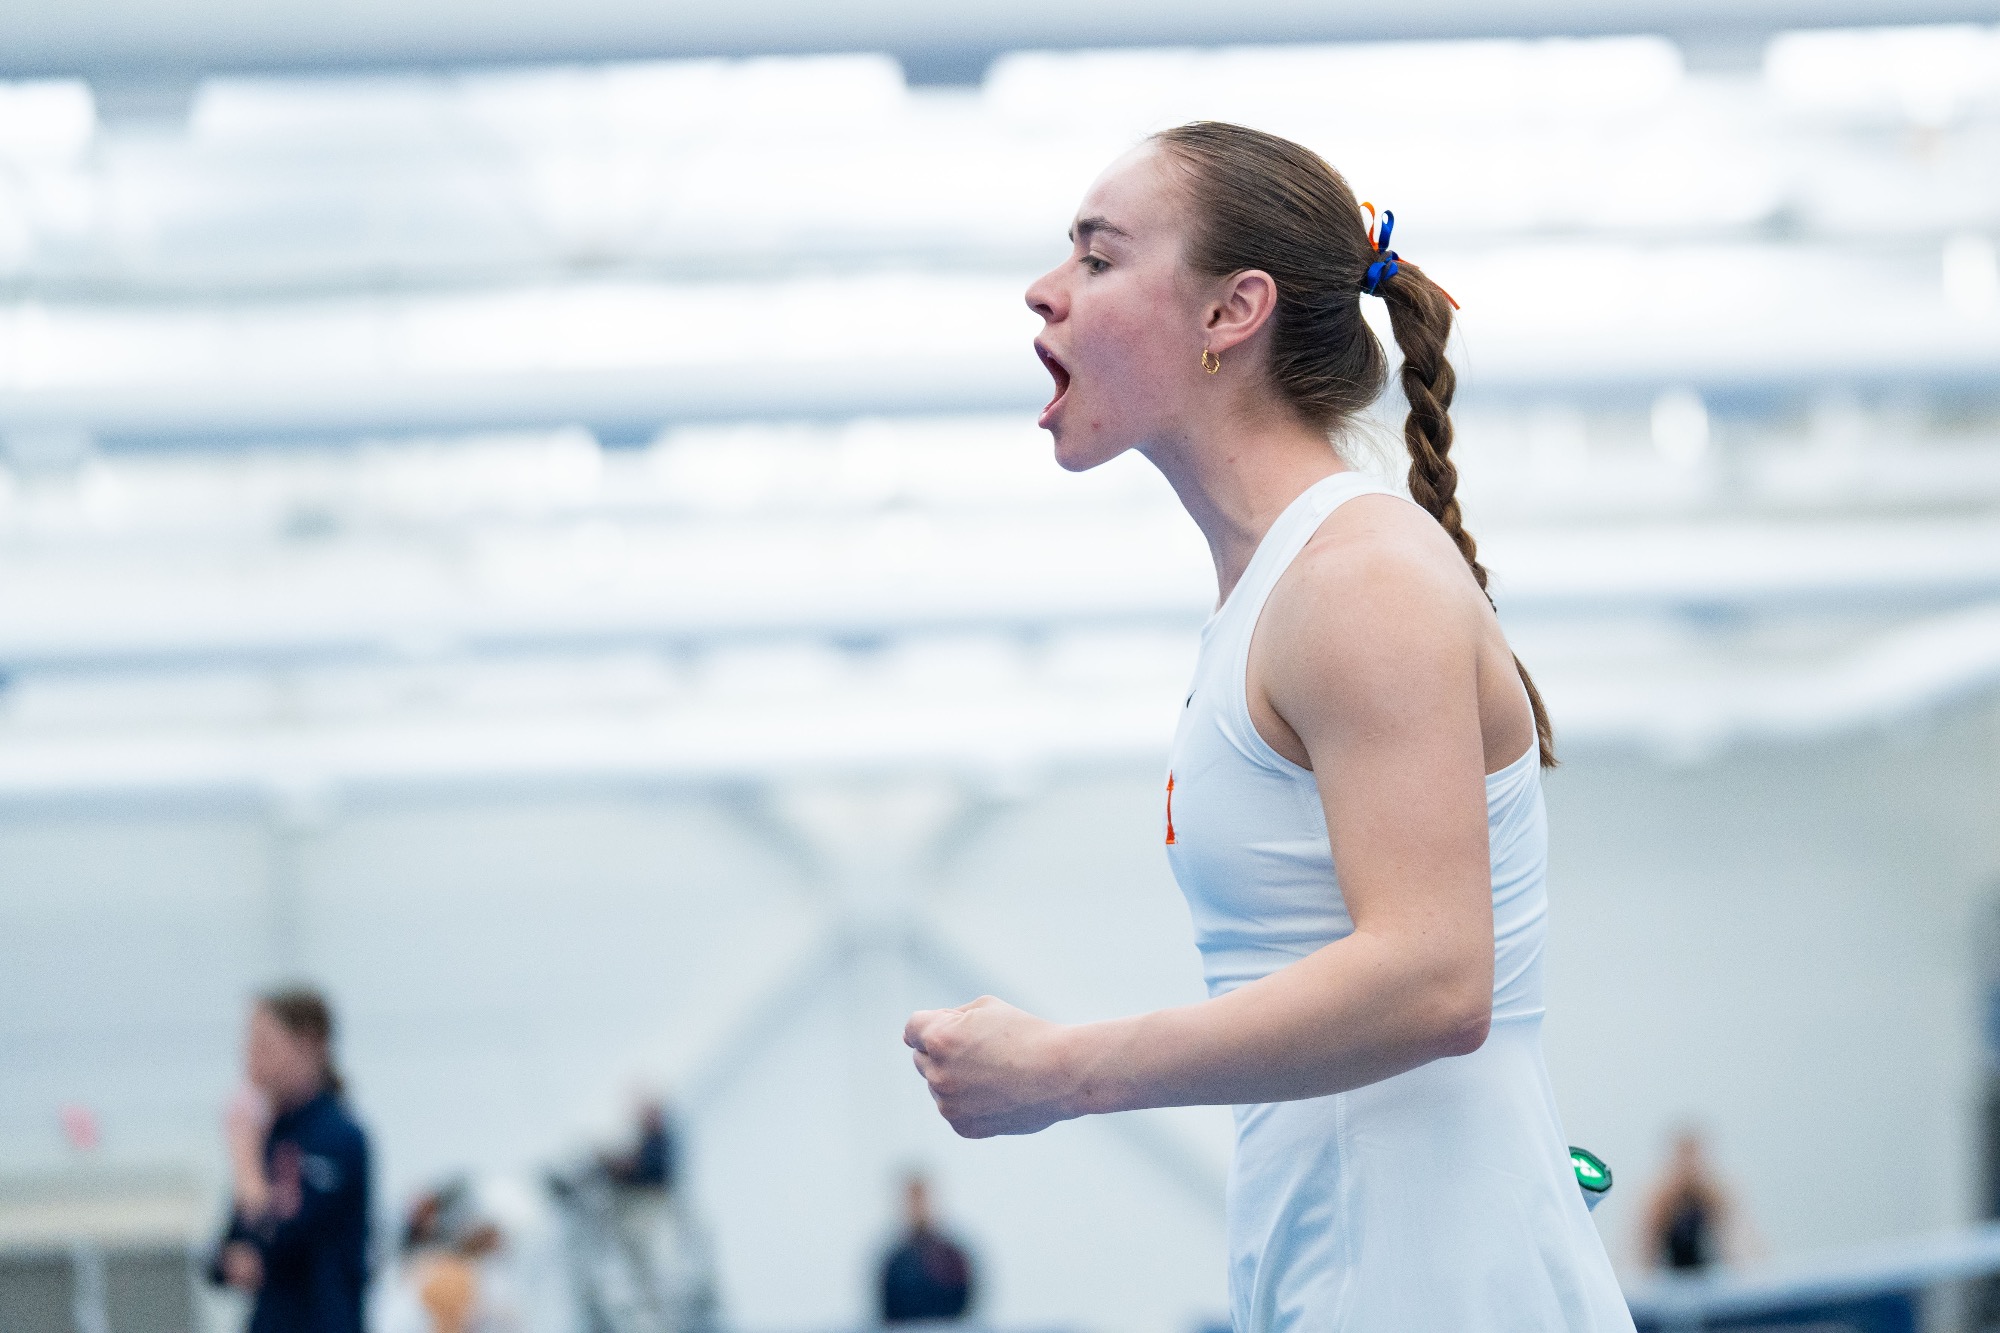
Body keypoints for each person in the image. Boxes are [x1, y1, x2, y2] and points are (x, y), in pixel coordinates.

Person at [902, 122, 1632, 1329]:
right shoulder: (1272, 594)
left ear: (1228, 313)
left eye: (1095, 258)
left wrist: (1061, 1069)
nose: (1043, 291)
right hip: (1342, 1272)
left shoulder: (1355, 580)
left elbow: (1436, 980)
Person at [210, 986, 372, 1333]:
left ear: (308, 1043)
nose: (250, 1055)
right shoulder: (269, 1136)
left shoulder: (338, 1136)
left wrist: (245, 1163)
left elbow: (288, 1238)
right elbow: (222, 1258)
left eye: (264, 1043)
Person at [1639, 1127, 1753, 1272]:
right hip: (1670, 1276)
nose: (1688, 1166)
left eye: (1693, 1158)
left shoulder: (1714, 1194)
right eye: (1683, 1159)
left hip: (1708, 1273)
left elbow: (1741, 1241)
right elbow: (1643, 1251)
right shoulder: (1659, 1198)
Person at [877, 1174, 973, 1324]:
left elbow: (965, 1308)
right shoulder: (895, 1262)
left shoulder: (952, 1256)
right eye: (912, 1201)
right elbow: (888, 1313)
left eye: (921, 1199)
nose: (917, 1207)